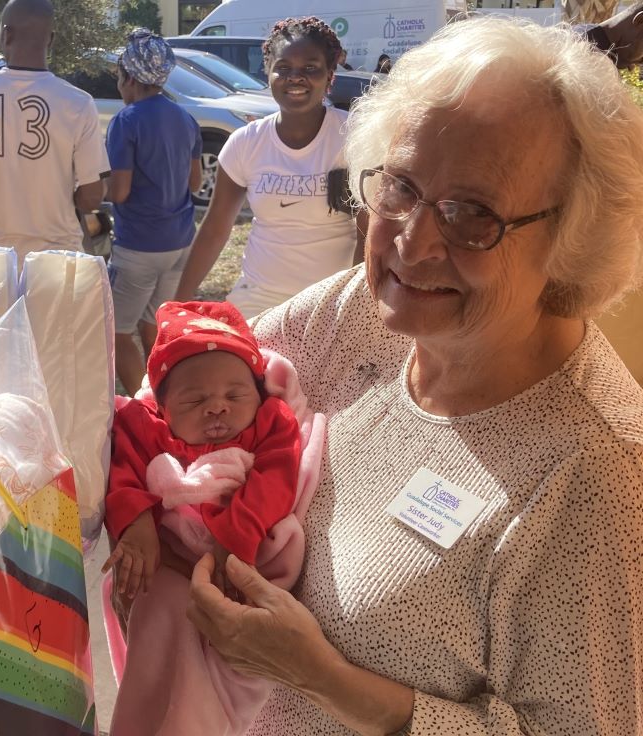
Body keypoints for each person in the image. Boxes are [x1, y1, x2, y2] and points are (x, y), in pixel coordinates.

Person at [183, 16, 643, 735]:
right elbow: (174, 400)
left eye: (471, 214)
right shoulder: (362, 311)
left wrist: (321, 678)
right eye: (400, 185)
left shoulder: (597, 477)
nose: (413, 241)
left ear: (573, 237)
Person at [104, 300, 302, 735]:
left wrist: (235, 537)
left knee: (221, 656)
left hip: (240, 557)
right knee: (157, 635)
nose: (217, 408)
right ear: (164, 406)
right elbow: (125, 471)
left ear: (259, 393)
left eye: (235, 396)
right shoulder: (145, 425)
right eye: (195, 399)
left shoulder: (271, 422)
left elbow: (277, 477)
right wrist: (136, 526)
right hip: (171, 563)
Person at [174, 17, 365, 320]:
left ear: (329, 75)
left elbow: (368, 233)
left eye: (310, 68)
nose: (295, 77)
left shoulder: (354, 138)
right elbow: (214, 229)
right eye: (284, 67)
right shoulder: (245, 143)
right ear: (268, 72)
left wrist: (350, 308)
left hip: (327, 307)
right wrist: (179, 305)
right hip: (257, 304)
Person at [0, 0, 109, 263]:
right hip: (60, 256)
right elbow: (92, 196)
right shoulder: (78, 103)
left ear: (6, 34)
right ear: (50, 40)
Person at [106, 29, 203, 395]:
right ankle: (166, 398)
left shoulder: (126, 121)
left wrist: (88, 188)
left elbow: (120, 189)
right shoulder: (186, 118)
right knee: (154, 327)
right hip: (180, 243)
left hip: (138, 246)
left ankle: (144, 408)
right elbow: (194, 184)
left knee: (115, 333)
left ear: (129, 77)